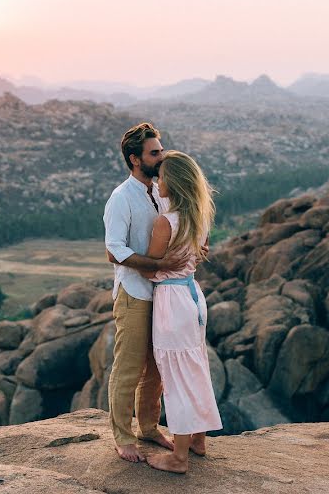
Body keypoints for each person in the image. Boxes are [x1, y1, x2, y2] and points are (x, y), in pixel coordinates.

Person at [103, 122, 188, 463]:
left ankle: (149, 428)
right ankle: (123, 436)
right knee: (129, 367)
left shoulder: (160, 192)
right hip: (134, 292)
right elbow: (113, 250)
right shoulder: (121, 197)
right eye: (155, 152)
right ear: (135, 159)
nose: (162, 155)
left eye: (161, 149)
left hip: (162, 293)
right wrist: (157, 264)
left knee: (156, 368)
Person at [140, 150, 222, 474]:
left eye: (160, 177)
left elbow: (149, 270)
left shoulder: (165, 222)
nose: (156, 181)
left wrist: (151, 264)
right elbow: (196, 255)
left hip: (172, 302)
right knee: (195, 368)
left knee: (176, 377)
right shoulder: (198, 217)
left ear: (170, 183)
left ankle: (179, 457)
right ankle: (198, 440)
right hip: (193, 297)